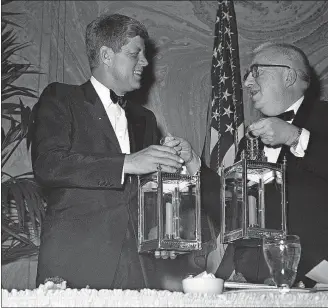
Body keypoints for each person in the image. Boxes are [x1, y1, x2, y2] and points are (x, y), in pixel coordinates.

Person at [31, 13, 212, 290]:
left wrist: (160, 230)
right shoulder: (61, 97)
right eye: (134, 54)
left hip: (139, 267)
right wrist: (127, 163)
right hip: (76, 260)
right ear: (106, 55)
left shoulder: (146, 118)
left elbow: (148, 193)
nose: (145, 62)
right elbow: (49, 165)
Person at [232, 42, 328, 287]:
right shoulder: (250, 140)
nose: (247, 82)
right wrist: (194, 167)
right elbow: (235, 214)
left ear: (288, 75)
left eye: (255, 72)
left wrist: (294, 136)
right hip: (262, 284)